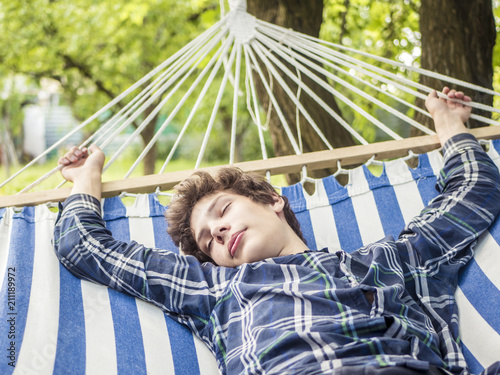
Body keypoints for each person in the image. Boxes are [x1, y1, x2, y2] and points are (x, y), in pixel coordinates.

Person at [53, 87, 500, 375]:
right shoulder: (214, 288)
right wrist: (86, 179)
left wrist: (449, 125)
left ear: (273, 201)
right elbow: (85, 247)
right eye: (209, 240)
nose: (218, 231)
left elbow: (474, 193)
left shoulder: (384, 263)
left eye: (223, 211)